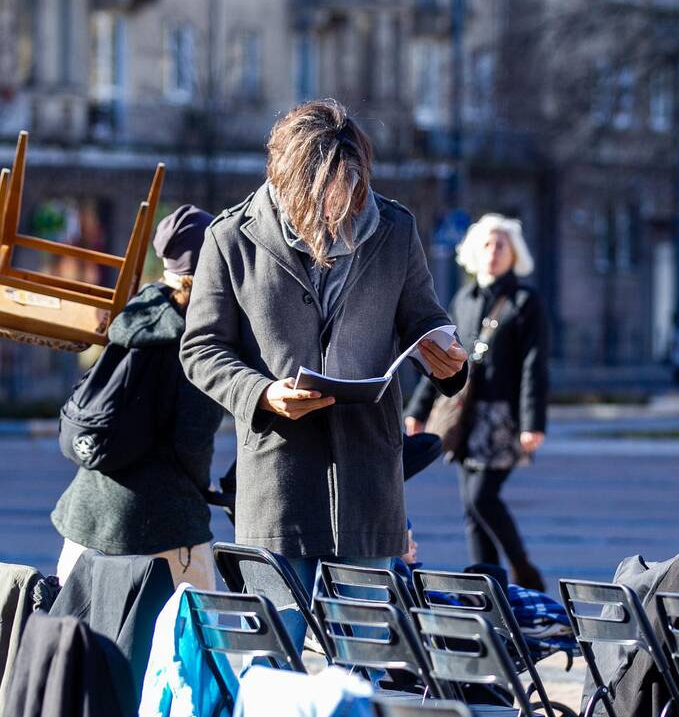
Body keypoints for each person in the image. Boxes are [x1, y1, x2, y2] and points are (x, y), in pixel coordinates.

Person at [180, 99, 468, 651]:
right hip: (277, 485)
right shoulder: (230, 238)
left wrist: (448, 353)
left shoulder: (395, 228)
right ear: (284, 173)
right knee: (270, 659)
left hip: (369, 482)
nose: (338, 208)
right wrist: (261, 393)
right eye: (324, 194)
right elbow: (201, 349)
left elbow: (424, 316)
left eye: (350, 191)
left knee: (363, 662)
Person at [51, 205, 224, 591]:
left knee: (85, 646)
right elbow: (192, 439)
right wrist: (201, 491)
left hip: (86, 519)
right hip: (163, 527)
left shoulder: (136, 312)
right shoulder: (197, 336)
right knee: (189, 644)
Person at [405, 213, 549, 591]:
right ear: (473, 251)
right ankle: (489, 588)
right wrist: (417, 411)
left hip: (503, 416)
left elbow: (535, 366)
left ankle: (523, 571)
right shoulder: (464, 298)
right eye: (487, 244)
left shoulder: (525, 300)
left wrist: (534, 423)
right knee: (471, 509)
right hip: (462, 417)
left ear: (514, 254)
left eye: (502, 245)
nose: (494, 251)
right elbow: (439, 359)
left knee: (482, 496)